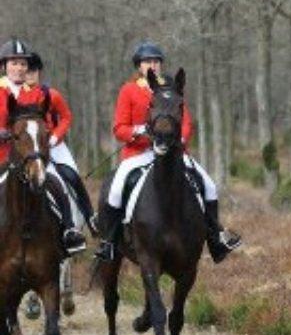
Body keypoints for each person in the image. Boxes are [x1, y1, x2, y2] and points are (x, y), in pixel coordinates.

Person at [93, 41, 242, 263]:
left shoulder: (170, 88)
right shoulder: (129, 90)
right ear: (139, 66)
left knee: (209, 186)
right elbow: (119, 128)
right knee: (115, 190)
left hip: (173, 152)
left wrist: (179, 139)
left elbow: (186, 121)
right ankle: (110, 243)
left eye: (156, 61)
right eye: (147, 61)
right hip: (139, 154)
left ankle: (215, 238)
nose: (153, 65)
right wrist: (142, 132)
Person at [0, 39, 87, 254]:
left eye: (23, 64)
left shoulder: (37, 93)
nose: (19, 68)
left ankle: (69, 231)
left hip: (31, 157)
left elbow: (45, 122)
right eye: (14, 63)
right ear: (4, 66)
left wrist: (52, 137)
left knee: (55, 183)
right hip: (2, 157)